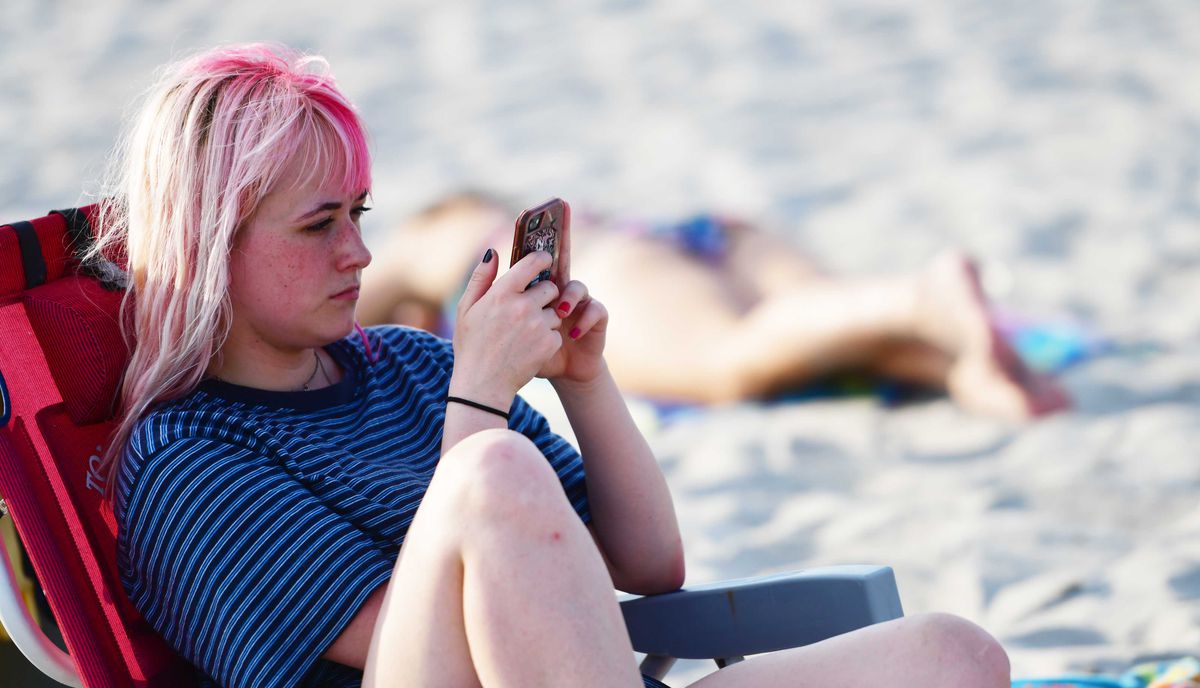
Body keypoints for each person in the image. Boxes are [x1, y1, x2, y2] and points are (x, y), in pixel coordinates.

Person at [95, 42, 1010, 688]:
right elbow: (436, 649)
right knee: (490, 474)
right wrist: (482, 393)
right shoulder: (186, 462)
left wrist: (585, 380)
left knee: (954, 656)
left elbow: (651, 566)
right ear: (209, 245)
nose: (359, 257)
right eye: (317, 224)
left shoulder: (409, 369)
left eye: (360, 215)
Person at [358, 194, 1071, 420]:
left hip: (623, 269)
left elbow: (344, 334)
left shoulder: (433, 234)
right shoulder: (492, 215)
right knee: (825, 325)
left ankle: (927, 299)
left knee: (728, 361)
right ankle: (957, 366)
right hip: (700, 238)